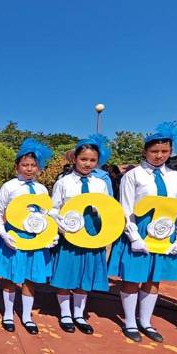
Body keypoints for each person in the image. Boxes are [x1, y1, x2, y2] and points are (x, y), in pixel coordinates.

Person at [107, 122, 177, 343]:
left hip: (164, 231)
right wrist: (134, 236)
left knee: (153, 280)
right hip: (139, 229)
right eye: (154, 151)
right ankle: (130, 322)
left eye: (164, 151)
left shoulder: (175, 177)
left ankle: (146, 321)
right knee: (133, 278)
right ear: (145, 151)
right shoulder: (133, 176)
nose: (159, 155)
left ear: (171, 152)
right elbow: (125, 209)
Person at [0, 138, 56, 334]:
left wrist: (50, 234)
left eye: (33, 165)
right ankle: (8, 314)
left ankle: (26, 316)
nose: (29, 169)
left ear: (38, 167)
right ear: (17, 166)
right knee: (10, 276)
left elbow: (47, 213)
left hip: (36, 239)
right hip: (14, 237)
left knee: (30, 278)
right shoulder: (9, 186)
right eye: (25, 165)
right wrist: (3, 233)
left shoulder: (42, 189)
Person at [49, 134, 112, 335]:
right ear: (75, 159)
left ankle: (79, 314)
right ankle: (65, 313)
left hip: (92, 233)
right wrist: (61, 225)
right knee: (67, 272)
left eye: (92, 160)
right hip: (70, 234)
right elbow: (54, 208)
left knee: (86, 274)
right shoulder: (64, 182)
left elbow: (108, 208)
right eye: (83, 159)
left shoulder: (100, 184)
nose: (87, 163)